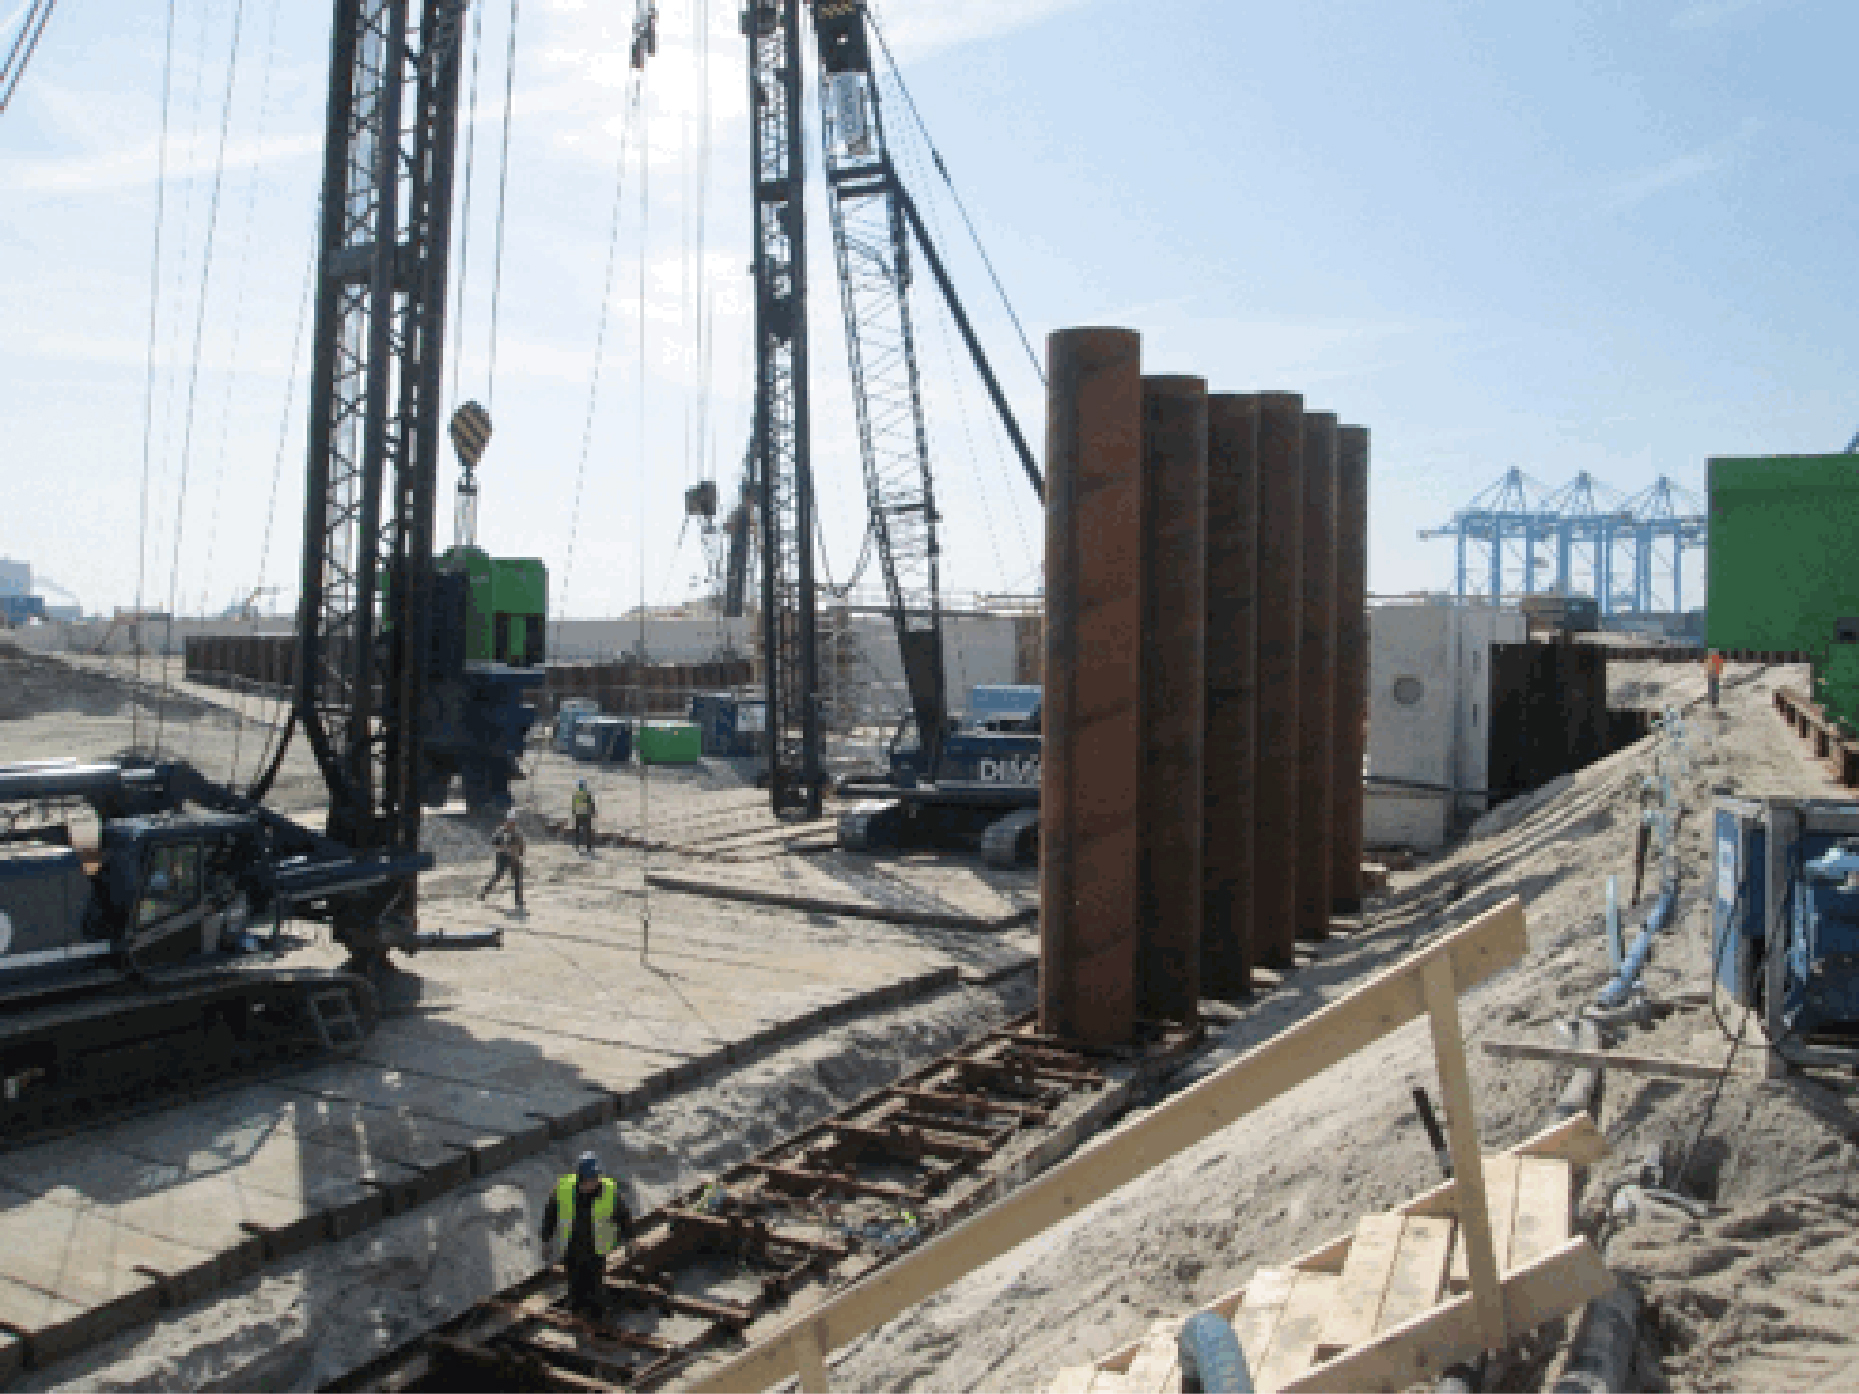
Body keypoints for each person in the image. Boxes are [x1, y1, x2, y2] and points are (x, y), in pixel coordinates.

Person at [540, 1152, 632, 1317]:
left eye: (596, 1176)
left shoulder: (609, 1192)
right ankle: (576, 1316)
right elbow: (550, 1214)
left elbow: (623, 1215)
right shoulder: (564, 1190)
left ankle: (597, 1319)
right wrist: (546, 1241)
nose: (595, 1181)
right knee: (575, 1288)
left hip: (596, 1250)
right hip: (572, 1250)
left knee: (595, 1287)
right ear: (581, 1178)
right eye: (591, 1178)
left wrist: (629, 1239)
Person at [480, 811, 526, 909]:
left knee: (517, 878)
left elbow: (522, 846)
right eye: (510, 822)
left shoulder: (517, 833)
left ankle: (518, 901)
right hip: (502, 857)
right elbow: (494, 844)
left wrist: (519, 854)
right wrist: (504, 848)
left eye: (513, 822)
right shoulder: (501, 832)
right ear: (506, 822)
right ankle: (484, 892)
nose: (511, 824)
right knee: (498, 876)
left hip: (514, 858)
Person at [571, 780, 597, 855]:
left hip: (578, 815)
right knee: (587, 831)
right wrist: (593, 811)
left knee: (578, 831)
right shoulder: (587, 794)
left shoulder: (576, 794)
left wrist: (574, 812)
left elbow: (574, 805)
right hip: (586, 815)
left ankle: (577, 846)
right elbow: (591, 804)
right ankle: (588, 847)